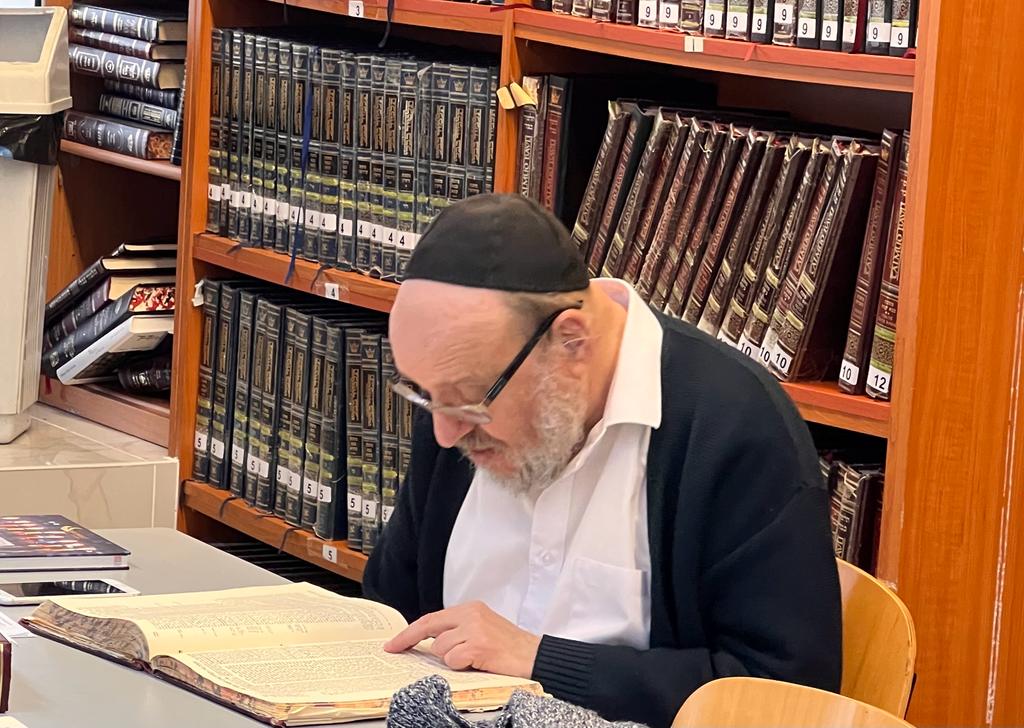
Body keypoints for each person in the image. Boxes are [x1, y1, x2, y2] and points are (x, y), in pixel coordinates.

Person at [363, 193, 842, 728]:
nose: (445, 433)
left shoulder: (733, 429)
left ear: (571, 341)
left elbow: (785, 697)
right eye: (425, 395)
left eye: (468, 400)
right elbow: (393, 609)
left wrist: (541, 660)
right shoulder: (460, 409)